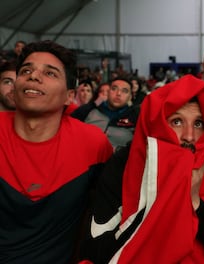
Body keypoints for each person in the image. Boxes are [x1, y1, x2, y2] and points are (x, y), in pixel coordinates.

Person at [78, 74, 204, 263]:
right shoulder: (127, 163)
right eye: (177, 122)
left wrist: (196, 205)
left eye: (199, 124)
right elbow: (94, 250)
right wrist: (162, 197)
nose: (189, 136)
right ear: (158, 124)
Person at [0, 40, 113, 263]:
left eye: (50, 73)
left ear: (69, 96)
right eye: (26, 70)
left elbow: (109, 212)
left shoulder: (92, 143)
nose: (34, 76)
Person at [71, 77, 139, 151]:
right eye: (114, 89)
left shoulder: (135, 117)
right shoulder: (89, 110)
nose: (118, 93)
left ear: (130, 97)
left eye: (124, 91)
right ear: (108, 92)